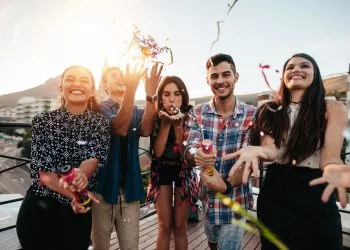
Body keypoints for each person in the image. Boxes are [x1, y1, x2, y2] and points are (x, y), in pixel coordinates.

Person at [224, 53, 347, 250]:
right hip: (276, 192)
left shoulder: (333, 107)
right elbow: (272, 150)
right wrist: (256, 151)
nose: (296, 69)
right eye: (290, 67)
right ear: (283, 76)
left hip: (317, 192)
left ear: (315, 73)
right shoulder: (270, 109)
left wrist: (336, 169)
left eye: (304, 66)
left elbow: (330, 156)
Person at [16, 65, 111, 250]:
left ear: (92, 90)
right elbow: (44, 175)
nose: (77, 84)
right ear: (61, 88)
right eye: (70, 79)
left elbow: (93, 158)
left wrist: (82, 174)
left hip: (77, 213)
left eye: (84, 80)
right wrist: (74, 195)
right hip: (39, 210)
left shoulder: (100, 123)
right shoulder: (42, 121)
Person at [184, 53, 256, 250]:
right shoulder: (196, 113)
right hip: (208, 201)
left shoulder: (252, 115)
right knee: (213, 243)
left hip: (236, 200)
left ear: (236, 76)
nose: (221, 80)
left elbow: (249, 158)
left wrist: (225, 185)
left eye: (226, 74)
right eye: (214, 76)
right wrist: (195, 154)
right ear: (207, 80)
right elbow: (190, 149)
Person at [91, 63, 163, 250]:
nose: (120, 77)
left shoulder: (136, 110)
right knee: (101, 246)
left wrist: (149, 94)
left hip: (129, 191)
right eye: (114, 75)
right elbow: (120, 128)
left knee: (131, 246)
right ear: (105, 84)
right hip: (102, 191)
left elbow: (146, 130)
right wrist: (131, 90)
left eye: (122, 74)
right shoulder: (98, 108)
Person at [146, 75, 198, 250]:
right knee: (164, 226)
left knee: (180, 227)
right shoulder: (156, 115)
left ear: (183, 97)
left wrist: (178, 122)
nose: (171, 98)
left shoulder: (191, 114)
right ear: (160, 97)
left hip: (184, 171)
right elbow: (158, 152)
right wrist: (167, 122)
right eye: (166, 94)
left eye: (176, 94)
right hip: (161, 169)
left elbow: (185, 155)